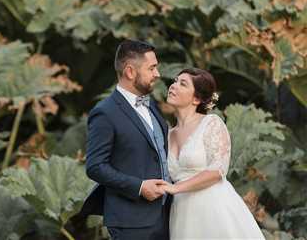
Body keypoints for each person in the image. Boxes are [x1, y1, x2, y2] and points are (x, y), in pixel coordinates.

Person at [82, 40, 171, 240]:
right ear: (130, 72)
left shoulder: (151, 104)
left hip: (165, 215)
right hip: (131, 222)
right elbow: (95, 166)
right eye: (152, 68)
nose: (157, 74)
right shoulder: (105, 113)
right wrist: (139, 187)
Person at [162, 68, 265, 239]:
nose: (173, 86)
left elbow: (217, 171)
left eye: (183, 84)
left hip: (213, 207)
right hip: (182, 213)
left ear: (196, 99)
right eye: (175, 81)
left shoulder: (211, 124)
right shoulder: (167, 134)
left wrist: (176, 188)